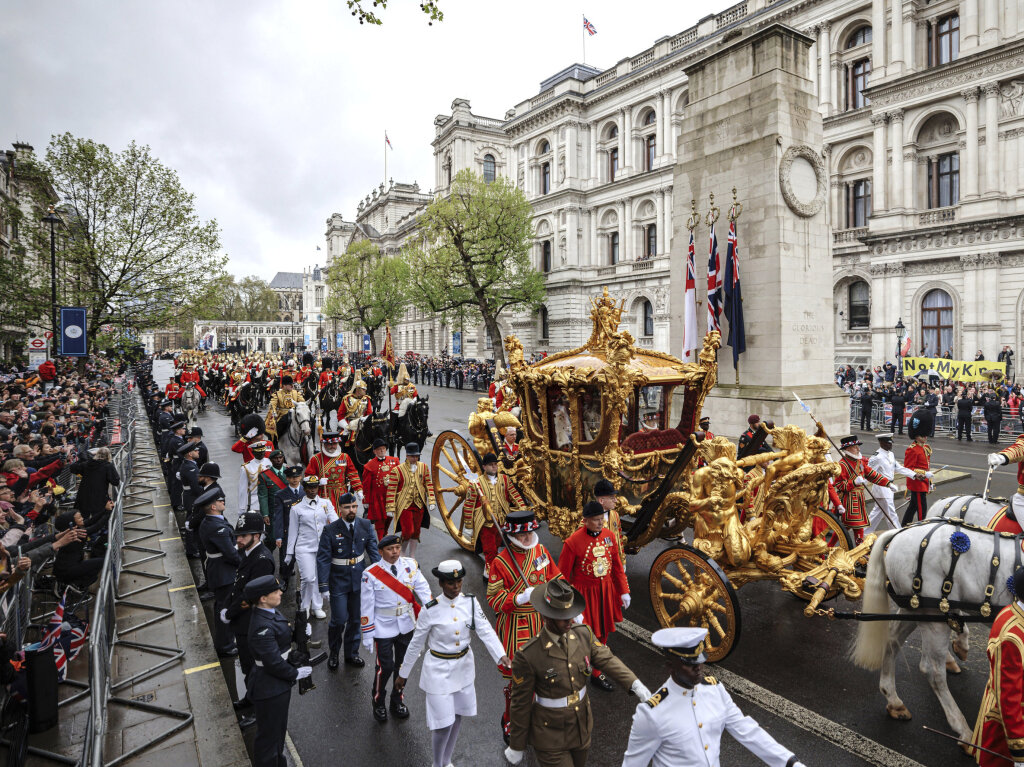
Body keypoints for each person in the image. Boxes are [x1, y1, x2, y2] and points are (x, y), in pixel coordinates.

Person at [504, 579, 650, 767]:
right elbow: (520, 703)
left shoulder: (582, 633)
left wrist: (635, 684)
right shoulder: (529, 655)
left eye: (571, 614)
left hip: (581, 726)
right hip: (550, 735)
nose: (570, 621)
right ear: (546, 617)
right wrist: (517, 745)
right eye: (563, 617)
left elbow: (607, 659)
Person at [622, 627, 805, 767]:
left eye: (700, 661)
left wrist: (790, 762)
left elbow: (747, 730)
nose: (698, 668)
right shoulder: (652, 713)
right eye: (689, 663)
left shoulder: (715, 690)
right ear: (670, 666)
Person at [395, 560, 510, 767]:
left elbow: (485, 630)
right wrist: (404, 673)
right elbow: (415, 643)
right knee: (442, 725)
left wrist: (501, 655)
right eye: (450, 583)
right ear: (440, 583)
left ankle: (447, 761)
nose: (456, 586)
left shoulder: (471, 602)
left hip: (463, 669)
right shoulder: (430, 609)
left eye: (458, 582)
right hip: (438, 672)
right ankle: (437, 764)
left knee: (457, 717)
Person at [487, 509, 562, 742]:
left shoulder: (541, 551)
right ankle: (509, 719)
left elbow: (556, 579)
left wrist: (564, 604)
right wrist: (518, 598)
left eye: (530, 532)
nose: (528, 537)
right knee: (517, 681)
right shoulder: (500, 562)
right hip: (515, 626)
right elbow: (493, 599)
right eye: (523, 535)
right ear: (513, 536)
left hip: (541, 622)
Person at [557, 500, 631, 692]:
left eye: (602, 519)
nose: (601, 523)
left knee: (604, 632)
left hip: (605, 591)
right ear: (586, 520)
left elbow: (616, 567)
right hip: (584, 595)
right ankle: (579, 671)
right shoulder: (573, 542)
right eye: (597, 520)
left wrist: (624, 591)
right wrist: (568, 604)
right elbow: (561, 576)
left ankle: (597, 673)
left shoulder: (608, 536)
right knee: (585, 635)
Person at [359, 533, 431, 722]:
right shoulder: (370, 573)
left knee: (402, 665)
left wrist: (432, 610)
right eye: (390, 549)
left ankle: (397, 699)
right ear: (381, 551)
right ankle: (378, 700)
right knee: (385, 667)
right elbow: (366, 606)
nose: (395, 552)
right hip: (383, 627)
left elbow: (423, 589)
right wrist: (367, 635)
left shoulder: (410, 566)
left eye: (398, 548)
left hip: (406, 625)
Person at [245, 574, 311, 767]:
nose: (280, 592)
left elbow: (280, 638)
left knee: (277, 733)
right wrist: (295, 673)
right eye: (275, 591)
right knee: (269, 737)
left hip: (276, 685)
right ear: (262, 598)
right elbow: (273, 662)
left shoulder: (270, 612)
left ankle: (278, 762)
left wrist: (299, 632)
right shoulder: (261, 627)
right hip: (269, 687)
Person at [222, 512, 276, 722]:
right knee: (247, 666)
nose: (238, 539)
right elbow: (239, 586)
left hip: (252, 623)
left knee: (255, 669)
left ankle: (258, 710)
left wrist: (230, 612)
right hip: (243, 623)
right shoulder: (249, 554)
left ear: (257, 536)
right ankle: (250, 698)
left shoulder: (262, 560)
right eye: (238, 535)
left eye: (244, 536)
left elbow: (251, 597)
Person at [316, 491, 380, 669]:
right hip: (338, 580)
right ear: (340, 509)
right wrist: (323, 586)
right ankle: (334, 653)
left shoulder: (366, 525)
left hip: (359, 580)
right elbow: (322, 558)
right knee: (338, 619)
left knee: (355, 620)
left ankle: (352, 654)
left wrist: (381, 577)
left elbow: (373, 553)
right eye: (347, 507)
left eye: (353, 506)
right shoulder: (330, 529)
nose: (351, 510)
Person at [461, 452, 525, 577]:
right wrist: (468, 525)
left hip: (503, 520)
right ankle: (491, 572)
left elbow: (514, 494)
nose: (494, 467)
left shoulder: (504, 479)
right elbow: (469, 504)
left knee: (508, 545)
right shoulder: (476, 483)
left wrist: (522, 507)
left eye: (495, 464)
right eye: (491, 465)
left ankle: (507, 567)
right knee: (490, 550)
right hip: (486, 522)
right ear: (484, 467)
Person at [285, 475, 338, 619]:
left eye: (315, 487)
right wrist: (289, 553)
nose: (313, 490)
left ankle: (317, 606)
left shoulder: (326, 503)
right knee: (308, 578)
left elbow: (335, 524)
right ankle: (304, 605)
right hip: (304, 548)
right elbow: (293, 532)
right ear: (304, 488)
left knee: (319, 578)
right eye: (309, 487)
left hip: (322, 548)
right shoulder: (296, 508)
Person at [196, 486, 240, 657]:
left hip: (219, 569)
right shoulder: (216, 527)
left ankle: (225, 641)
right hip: (223, 572)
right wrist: (244, 564)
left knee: (222, 606)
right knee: (224, 608)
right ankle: (225, 645)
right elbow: (231, 554)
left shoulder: (211, 521)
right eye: (219, 501)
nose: (223, 501)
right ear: (213, 507)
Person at [833, 436, 891, 544]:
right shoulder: (842, 465)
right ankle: (858, 549)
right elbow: (839, 484)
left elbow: (872, 475)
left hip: (859, 499)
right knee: (856, 526)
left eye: (857, 447)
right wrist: (854, 482)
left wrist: (887, 483)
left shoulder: (860, 462)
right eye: (855, 447)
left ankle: (831, 546)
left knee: (845, 528)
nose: (858, 449)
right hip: (849, 500)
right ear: (848, 449)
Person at [385, 442, 437, 558]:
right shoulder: (397, 470)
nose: (415, 458)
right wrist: (390, 508)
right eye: (412, 456)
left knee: (416, 532)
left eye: (416, 456)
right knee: (407, 531)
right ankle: (402, 553)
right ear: (407, 456)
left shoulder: (423, 467)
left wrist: (432, 501)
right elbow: (391, 490)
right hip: (405, 505)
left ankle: (412, 555)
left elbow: (428, 484)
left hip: (419, 504)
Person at [865, 434, 913, 532]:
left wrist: (914, 475)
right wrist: (859, 485)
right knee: (891, 513)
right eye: (887, 443)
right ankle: (897, 533)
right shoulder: (876, 457)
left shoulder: (891, 454)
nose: (890, 445)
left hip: (889, 487)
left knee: (878, 512)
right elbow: (868, 473)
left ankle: (864, 532)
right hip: (881, 488)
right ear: (881, 442)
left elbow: (899, 468)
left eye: (891, 443)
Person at [305, 431, 363, 514]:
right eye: (330, 444)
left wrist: (359, 489)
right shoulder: (316, 459)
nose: (332, 446)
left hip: (342, 493)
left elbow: (353, 474)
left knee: (344, 517)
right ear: (324, 444)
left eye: (335, 444)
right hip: (324, 494)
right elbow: (307, 477)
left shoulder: (344, 457)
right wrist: (318, 481)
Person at [362, 438, 400, 540]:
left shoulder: (394, 461)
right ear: (374, 451)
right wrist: (365, 500)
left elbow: (400, 478)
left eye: (383, 448)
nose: (382, 451)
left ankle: (385, 534)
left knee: (389, 518)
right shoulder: (369, 466)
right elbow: (366, 485)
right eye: (379, 449)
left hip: (391, 498)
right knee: (380, 522)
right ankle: (382, 543)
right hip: (377, 499)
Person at [272, 466, 304, 579]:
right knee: (287, 560)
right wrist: (278, 536)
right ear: (287, 478)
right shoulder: (280, 495)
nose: (294, 479)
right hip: (288, 531)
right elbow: (279, 517)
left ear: (301, 477)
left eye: (297, 476)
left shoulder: (306, 492)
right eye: (291, 477)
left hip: (304, 531)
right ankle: (284, 581)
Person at [902, 424, 934, 525]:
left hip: (923, 481)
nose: (925, 437)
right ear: (916, 436)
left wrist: (930, 481)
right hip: (917, 483)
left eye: (925, 435)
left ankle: (904, 525)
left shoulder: (925, 448)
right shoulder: (912, 449)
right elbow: (908, 468)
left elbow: (926, 466)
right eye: (922, 436)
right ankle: (921, 526)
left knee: (913, 506)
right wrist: (924, 473)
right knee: (922, 508)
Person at [593, 479, 627, 572]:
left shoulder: (615, 515)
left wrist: (622, 562)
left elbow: (619, 540)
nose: (616, 500)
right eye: (612, 498)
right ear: (601, 500)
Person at [257, 449, 288, 545]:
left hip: (288, 509)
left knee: (286, 538)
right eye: (275, 458)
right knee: (271, 539)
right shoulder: (264, 475)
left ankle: (284, 560)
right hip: (273, 511)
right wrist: (265, 514)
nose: (278, 460)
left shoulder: (289, 472)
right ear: (271, 460)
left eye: (280, 458)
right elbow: (263, 496)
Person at [239, 442, 272, 520]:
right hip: (255, 503)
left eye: (262, 451)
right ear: (253, 452)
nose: (261, 454)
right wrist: (242, 509)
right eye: (258, 452)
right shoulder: (246, 467)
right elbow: (243, 490)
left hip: (270, 501)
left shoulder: (271, 462)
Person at [338, 377, 372, 445]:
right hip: (349, 423)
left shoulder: (367, 399)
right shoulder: (347, 399)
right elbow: (340, 415)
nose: (365, 391)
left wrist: (365, 419)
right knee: (344, 437)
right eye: (363, 389)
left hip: (362, 422)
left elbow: (369, 413)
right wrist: (346, 426)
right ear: (358, 389)